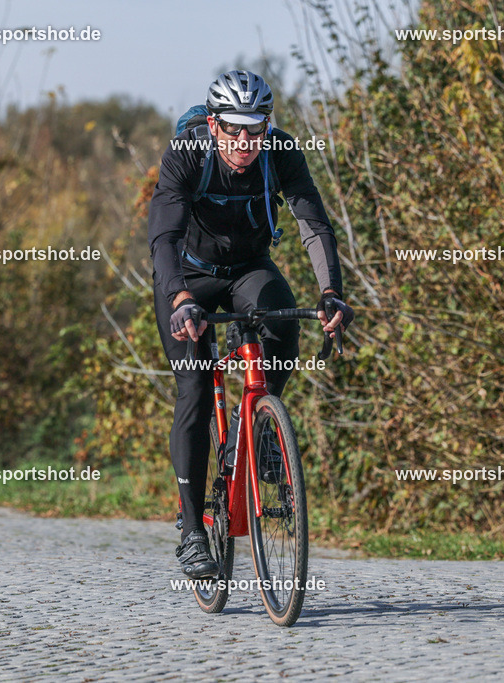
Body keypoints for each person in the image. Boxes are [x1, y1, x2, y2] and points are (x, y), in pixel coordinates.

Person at [148, 70, 353, 578]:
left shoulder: (280, 152)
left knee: (284, 326)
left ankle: (256, 431)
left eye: (256, 129)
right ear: (213, 124)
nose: (245, 142)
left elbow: (313, 226)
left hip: (249, 268)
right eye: (234, 129)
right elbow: (163, 240)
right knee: (194, 389)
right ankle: (194, 530)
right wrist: (179, 299)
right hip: (188, 279)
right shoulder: (186, 155)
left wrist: (332, 295)